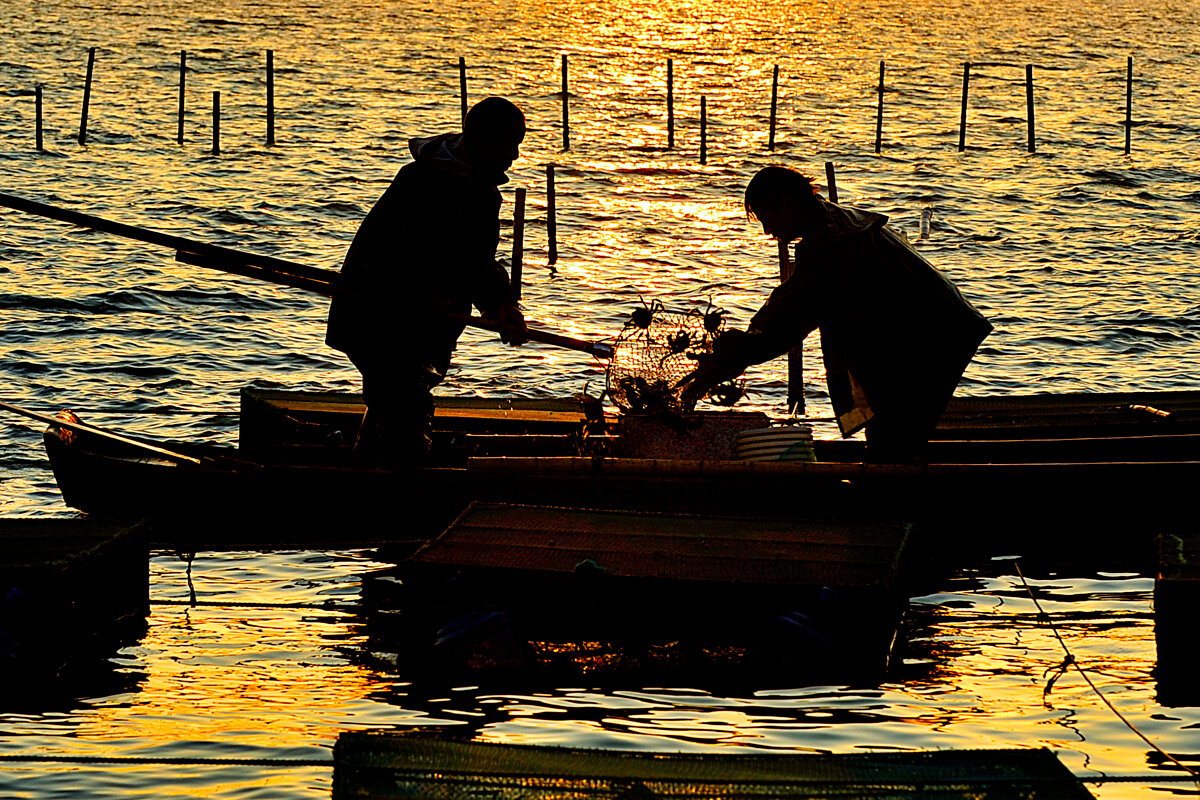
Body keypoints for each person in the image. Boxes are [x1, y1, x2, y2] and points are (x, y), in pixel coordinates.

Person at [679, 166, 993, 463]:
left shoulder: (835, 241)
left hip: (934, 335)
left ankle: (894, 509)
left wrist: (734, 356)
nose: (768, 230)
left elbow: (790, 322)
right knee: (888, 430)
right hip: (915, 333)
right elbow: (788, 305)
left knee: (893, 436)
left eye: (767, 218)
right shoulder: (829, 225)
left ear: (787, 203)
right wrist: (741, 349)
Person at [326, 97, 529, 466]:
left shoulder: (482, 193)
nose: (515, 155)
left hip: (425, 326)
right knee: (405, 407)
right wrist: (424, 291)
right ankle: (403, 499)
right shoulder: (421, 181)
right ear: (482, 140)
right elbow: (393, 251)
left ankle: (362, 478)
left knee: (393, 403)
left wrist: (501, 304)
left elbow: (476, 263)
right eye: (510, 143)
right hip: (380, 317)